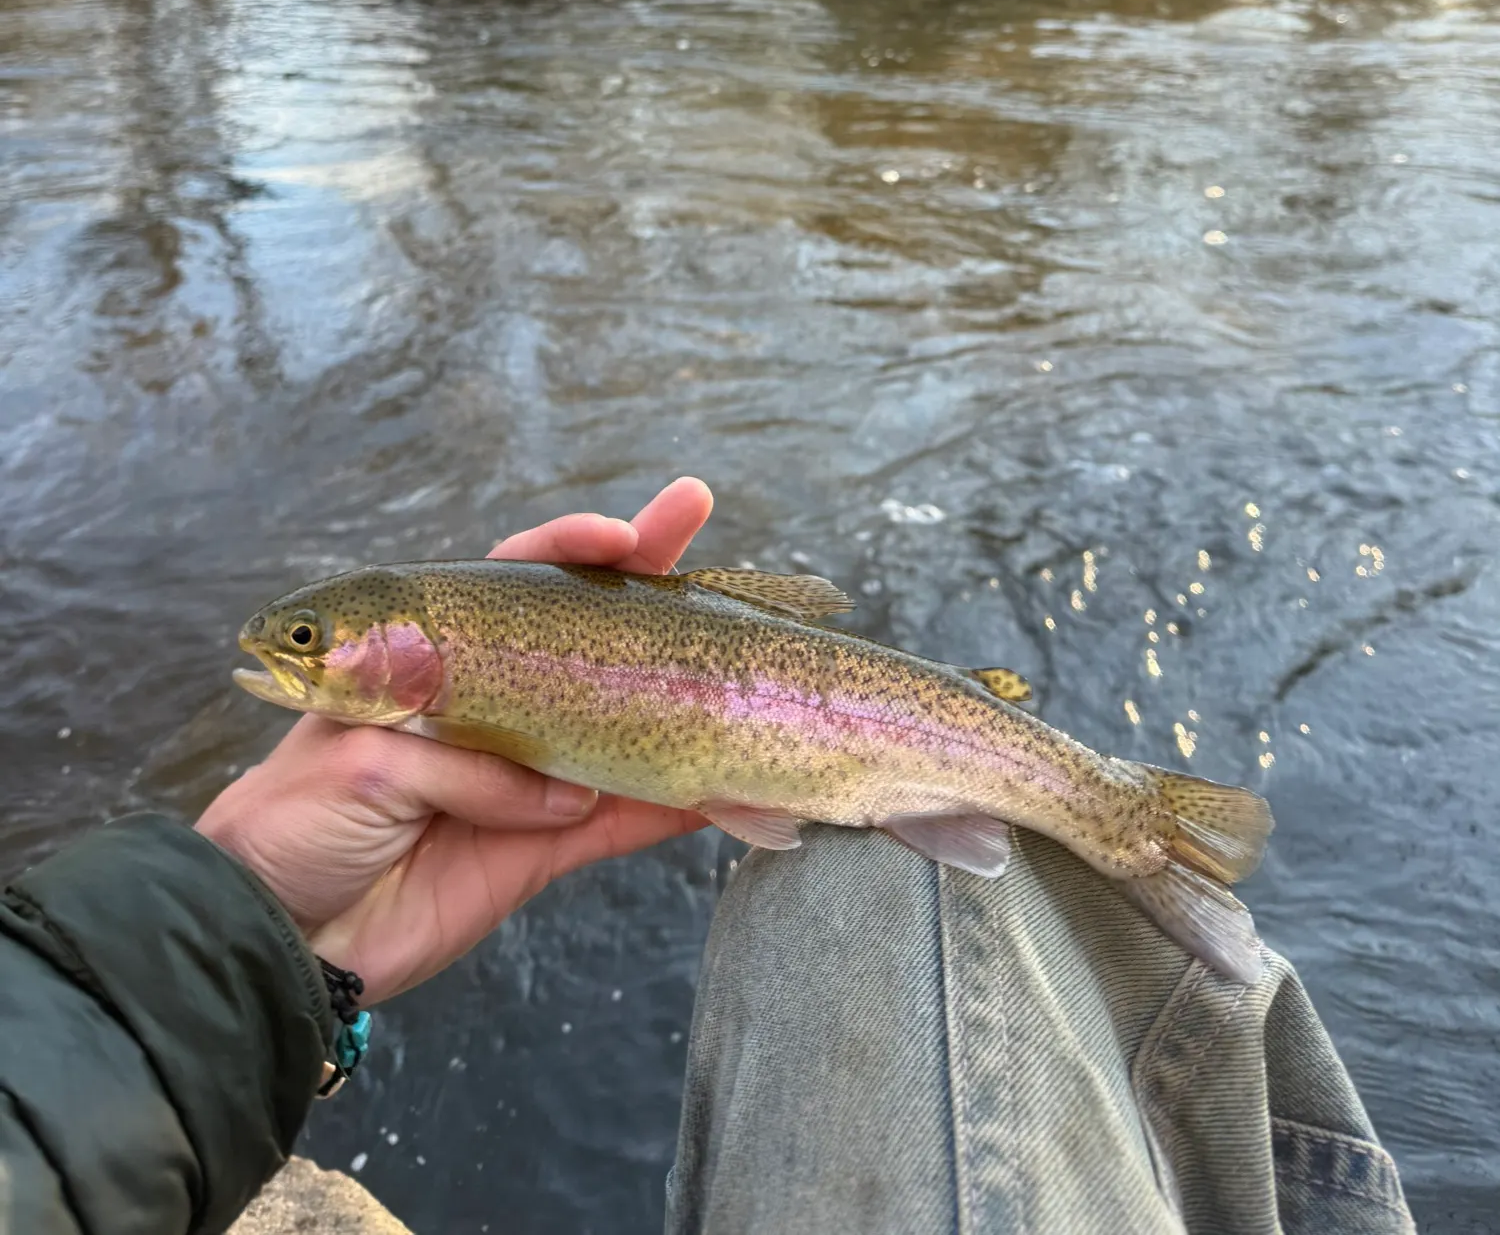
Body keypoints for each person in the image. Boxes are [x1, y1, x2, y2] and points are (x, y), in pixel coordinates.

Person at [0, 479, 1415, 1235]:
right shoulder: (443, 668)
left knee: (894, 862)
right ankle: (1119, 827)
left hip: (822, 736)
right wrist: (260, 918)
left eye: (308, 647)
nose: (287, 664)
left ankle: (1116, 811)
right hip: (811, 760)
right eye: (304, 647)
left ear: (396, 650)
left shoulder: (451, 656)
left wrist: (239, 913)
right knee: (897, 879)